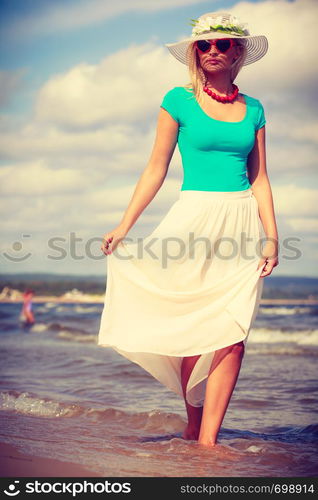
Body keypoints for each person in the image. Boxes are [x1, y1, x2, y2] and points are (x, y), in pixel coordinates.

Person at [98, 11, 279, 447]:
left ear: (238, 52)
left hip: (239, 225)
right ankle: (194, 421)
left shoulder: (254, 109)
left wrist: (271, 234)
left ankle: (207, 443)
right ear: (195, 53)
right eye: (204, 45)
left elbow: (259, 178)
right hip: (192, 220)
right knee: (194, 334)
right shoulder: (177, 100)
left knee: (232, 336)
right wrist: (125, 224)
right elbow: (156, 167)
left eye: (223, 44)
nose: (213, 51)